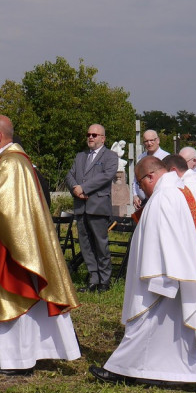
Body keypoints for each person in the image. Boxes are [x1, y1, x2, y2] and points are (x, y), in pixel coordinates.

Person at [90, 155, 196, 393]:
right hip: (191, 274)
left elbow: (162, 241)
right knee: (195, 326)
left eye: (140, 182)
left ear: (151, 176)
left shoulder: (164, 196)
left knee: (146, 322)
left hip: (168, 276)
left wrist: (160, 278)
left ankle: (123, 369)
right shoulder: (184, 190)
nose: (142, 189)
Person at [0, 115, 81, 375]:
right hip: (12, 242)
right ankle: (32, 352)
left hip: (9, 248)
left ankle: (16, 360)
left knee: (14, 297)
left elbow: (5, 209)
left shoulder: (10, 163)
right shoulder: (12, 161)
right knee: (28, 299)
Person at [65, 124, 119, 293]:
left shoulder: (110, 156)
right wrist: (75, 189)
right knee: (86, 245)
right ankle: (93, 279)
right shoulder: (81, 156)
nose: (90, 137)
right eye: (88, 134)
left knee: (100, 245)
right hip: (81, 206)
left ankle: (105, 280)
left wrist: (84, 188)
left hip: (98, 206)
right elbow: (69, 175)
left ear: (103, 138)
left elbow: (106, 176)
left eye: (94, 135)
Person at [133, 129, 170, 209]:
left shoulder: (166, 157)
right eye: (146, 141)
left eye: (151, 140)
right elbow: (136, 179)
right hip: (142, 202)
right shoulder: (141, 157)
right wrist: (135, 195)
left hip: (160, 200)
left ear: (158, 140)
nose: (149, 143)